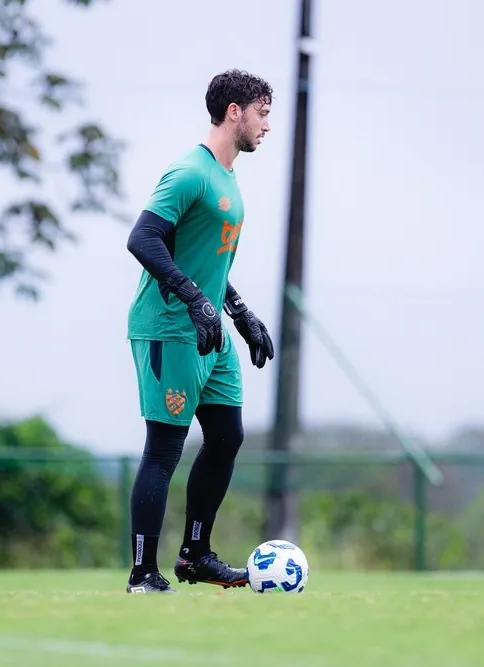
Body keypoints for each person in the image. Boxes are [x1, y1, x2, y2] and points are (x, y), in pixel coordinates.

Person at [122, 69, 276, 594]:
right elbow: (143, 238)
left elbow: (208, 260)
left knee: (227, 437)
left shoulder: (229, 179)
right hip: (169, 327)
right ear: (234, 111)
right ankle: (144, 573)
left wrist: (238, 311)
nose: (267, 126)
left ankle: (195, 555)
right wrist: (191, 299)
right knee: (164, 449)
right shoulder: (190, 172)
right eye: (262, 113)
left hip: (209, 331)